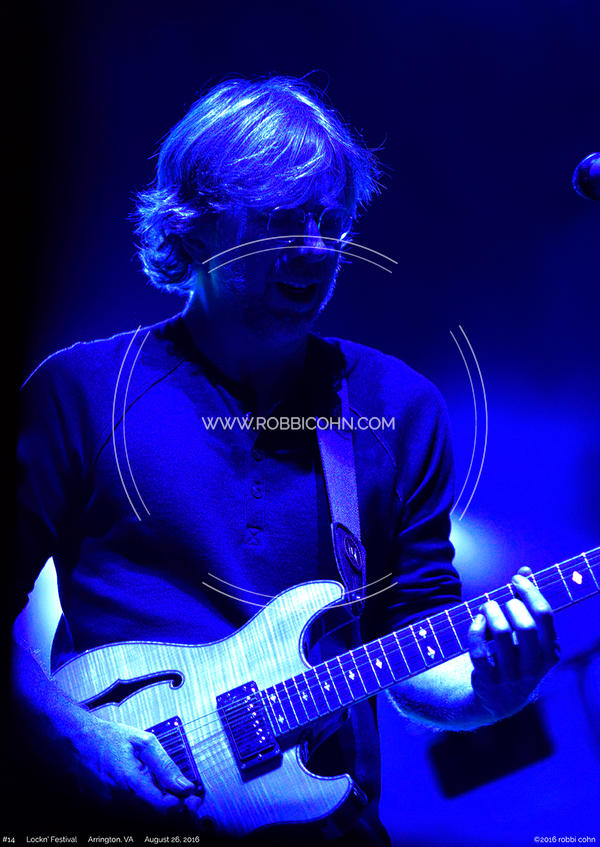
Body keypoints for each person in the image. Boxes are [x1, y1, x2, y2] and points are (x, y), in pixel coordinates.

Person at [13, 76, 559, 845]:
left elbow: (415, 641)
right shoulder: (80, 391)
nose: (314, 248)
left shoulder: (398, 405)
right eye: (281, 219)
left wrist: (490, 691)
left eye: (330, 221)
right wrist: (72, 739)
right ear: (193, 227)